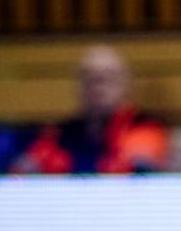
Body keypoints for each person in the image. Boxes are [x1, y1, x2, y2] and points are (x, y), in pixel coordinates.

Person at [13, 45, 168, 175]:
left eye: (107, 78)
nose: (98, 87)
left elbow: (132, 169)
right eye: (90, 79)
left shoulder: (145, 128)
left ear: (126, 84)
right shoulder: (59, 134)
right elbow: (25, 170)